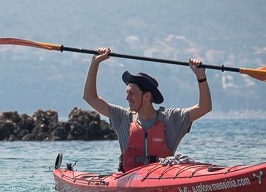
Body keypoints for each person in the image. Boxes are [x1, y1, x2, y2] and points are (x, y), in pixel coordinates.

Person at [83, 47, 212, 172]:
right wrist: (95, 62)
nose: (127, 98)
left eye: (132, 93)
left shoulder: (172, 118)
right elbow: (90, 97)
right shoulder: (122, 117)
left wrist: (201, 77)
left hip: (163, 179)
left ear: (147, 96)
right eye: (127, 93)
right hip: (130, 182)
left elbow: (204, 107)